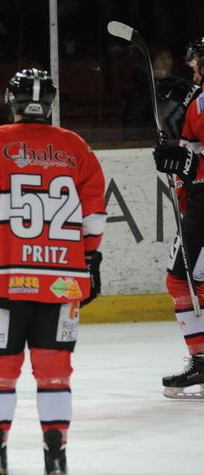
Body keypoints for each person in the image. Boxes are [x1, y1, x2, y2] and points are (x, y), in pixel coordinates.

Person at [0, 68, 106, 475]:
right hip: (62, 283)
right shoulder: (77, 147)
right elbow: (94, 218)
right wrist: (90, 260)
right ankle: (56, 458)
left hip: (2, 281)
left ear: (11, 101)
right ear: (49, 103)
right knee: (54, 375)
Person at [152, 36, 204, 400]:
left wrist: (186, 164)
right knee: (183, 280)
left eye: (196, 59)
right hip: (198, 202)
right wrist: (178, 158)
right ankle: (201, 360)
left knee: (189, 281)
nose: (190, 65)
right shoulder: (197, 102)